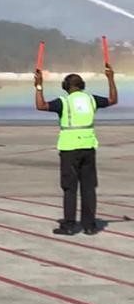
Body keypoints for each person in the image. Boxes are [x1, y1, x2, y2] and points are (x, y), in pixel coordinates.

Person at [34, 65, 118, 235]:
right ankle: (89, 225)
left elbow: (41, 105)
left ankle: (70, 225)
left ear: (66, 87)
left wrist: (39, 85)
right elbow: (112, 100)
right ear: (82, 85)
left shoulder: (63, 102)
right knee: (88, 188)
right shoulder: (91, 99)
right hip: (88, 147)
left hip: (69, 149)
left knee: (69, 188)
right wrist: (110, 78)